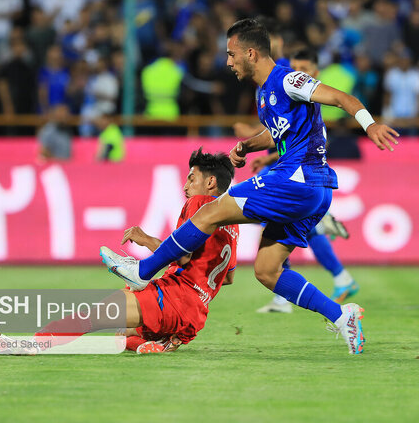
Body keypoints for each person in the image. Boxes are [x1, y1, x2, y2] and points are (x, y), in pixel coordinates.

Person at [101, 18, 399, 354]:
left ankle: (144, 270)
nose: (228, 62)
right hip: (315, 191)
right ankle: (341, 316)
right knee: (267, 270)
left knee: (211, 211)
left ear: (251, 53)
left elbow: (342, 98)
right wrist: (247, 145)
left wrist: (370, 124)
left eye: (231, 54)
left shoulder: (287, 79)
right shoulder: (263, 95)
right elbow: (278, 131)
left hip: (296, 180)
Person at [0, 148, 239, 355]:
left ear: (210, 182)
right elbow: (227, 278)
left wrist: (146, 239)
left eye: (191, 178)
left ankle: (30, 345)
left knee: (96, 314)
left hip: (176, 299)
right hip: (195, 314)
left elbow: (183, 256)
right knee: (123, 334)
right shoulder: (232, 222)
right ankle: (161, 342)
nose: (185, 186)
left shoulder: (199, 203)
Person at [248, 48, 359, 314]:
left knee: (262, 213)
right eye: (295, 67)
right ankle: (339, 276)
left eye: (305, 69)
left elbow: (312, 135)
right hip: (287, 167)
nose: (299, 73)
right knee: (295, 226)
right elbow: (279, 131)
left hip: (303, 172)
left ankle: (286, 294)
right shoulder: (274, 85)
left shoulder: (304, 91)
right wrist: (256, 148)